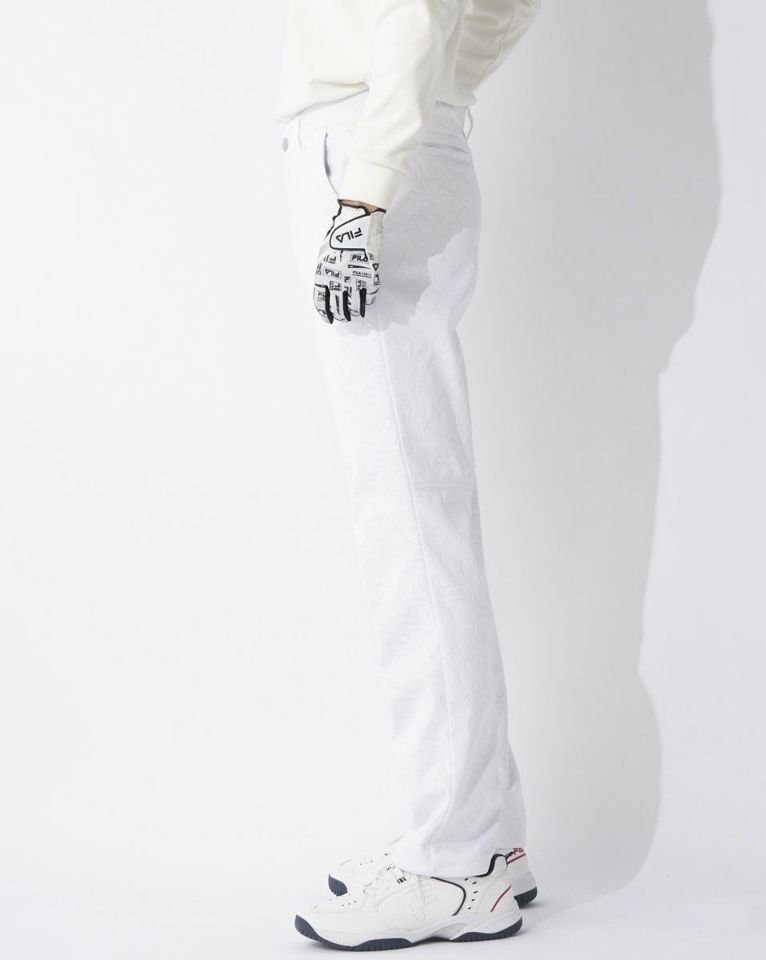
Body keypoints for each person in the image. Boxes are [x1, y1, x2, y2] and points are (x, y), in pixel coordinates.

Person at [278, 0, 541, 949]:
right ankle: (489, 839)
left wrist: (364, 195)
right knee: (423, 509)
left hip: (370, 149)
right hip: (406, 132)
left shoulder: (372, 161)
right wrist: (444, 90)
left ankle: (455, 863)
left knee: (409, 524)